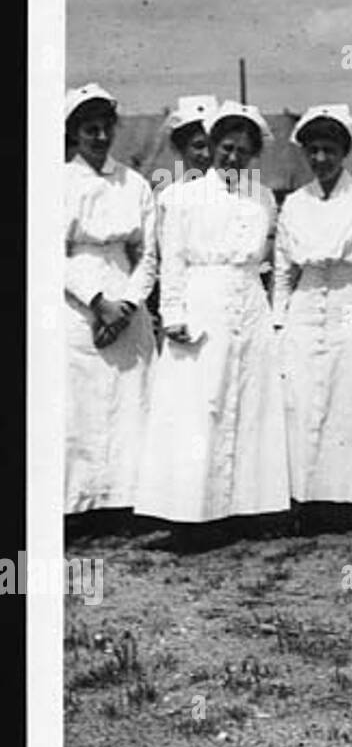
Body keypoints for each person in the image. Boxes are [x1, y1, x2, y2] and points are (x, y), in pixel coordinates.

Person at [134, 101, 291, 529]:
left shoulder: (262, 198)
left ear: (254, 154)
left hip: (250, 305)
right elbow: (174, 262)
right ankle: (191, 510)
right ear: (213, 145)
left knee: (249, 404)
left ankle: (245, 509)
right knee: (200, 405)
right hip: (203, 302)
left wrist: (274, 317)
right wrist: (173, 313)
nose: (233, 157)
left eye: (243, 150)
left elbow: (271, 263)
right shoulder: (179, 197)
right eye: (226, 147)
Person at [273, 104, 352, 518]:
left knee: (347, 393)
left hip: (350, 300)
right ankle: (301, 497)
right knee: (299, 396)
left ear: (345, 151)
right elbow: (283, 270)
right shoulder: (295, 203)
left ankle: (346, 500)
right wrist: (279, 320)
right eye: (313, 150)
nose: (320, 159)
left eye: (329, 150)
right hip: (304, 302)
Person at [64, 83, 157, 519]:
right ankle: (79, 504)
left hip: (126, 293)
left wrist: (129, 305)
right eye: (89, 129)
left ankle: (124, 502)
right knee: (80, 399)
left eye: (105, 128)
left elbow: (148, 254)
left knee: (128, 401)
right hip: (77, 297)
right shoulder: (61, 182)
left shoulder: (135, 184)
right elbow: (48, 250)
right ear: (74, 134)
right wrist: (97, 302)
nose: (99, 137)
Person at [147, 95, 217, 344]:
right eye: (198, 146)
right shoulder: (168, 196)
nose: (206, 154)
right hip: (184, 302)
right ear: (180, 149)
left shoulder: (236, 192)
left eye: (212, 144)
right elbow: (165, 258)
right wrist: (173, 312)